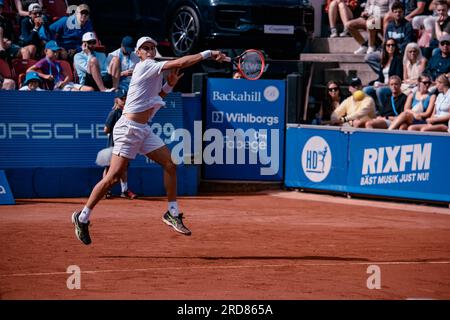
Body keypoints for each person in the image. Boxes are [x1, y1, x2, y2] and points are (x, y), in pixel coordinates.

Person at [71, 36, 228, 245]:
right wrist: (209, 53)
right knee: (113, 178)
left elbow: (155, 100)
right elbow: (180, 63)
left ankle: (172, 212)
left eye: (153, 47)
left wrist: (170, 86)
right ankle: (82, 217)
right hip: (127, 130)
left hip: (143, 130)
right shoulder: (146, 66)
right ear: (139, 53)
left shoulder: (153, 73)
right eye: (146, 48)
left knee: (170, 164)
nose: (150, 50)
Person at [102, 89, 138, 200]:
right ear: (116, 100)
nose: (124, 100)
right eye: (122, 98)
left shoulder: (127, 113)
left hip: (124, 144)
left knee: (124, 168)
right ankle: (105, 190)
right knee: (109, 168)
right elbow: (106, 130)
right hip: (113, 145)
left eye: (126, 98)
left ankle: (124, 190)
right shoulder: (114, 113)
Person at [365, 2, 415, 75]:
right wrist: (384, 50)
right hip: (388, 51)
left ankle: (390, 73)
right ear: (392, 13)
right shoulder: (390, 26)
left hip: (400, 53)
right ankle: (384, 74)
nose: (398, 14)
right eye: (395, 12)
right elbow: (386, 40)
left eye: (400, 12)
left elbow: (407, 42)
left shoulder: (407, 26)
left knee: (396, 59)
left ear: (403, 13)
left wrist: (394, 50)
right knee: (369, 58)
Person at [28, 40, 93, 91]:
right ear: (46, 51)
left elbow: (67, 76)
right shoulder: (43, 61)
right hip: (56, 87)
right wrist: (44, 76)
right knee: (76, 92)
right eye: (53, 51)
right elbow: (29, 70)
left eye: (57, 51)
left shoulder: (57, 63)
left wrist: (64, 82)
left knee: (90, 89)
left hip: (65, 84)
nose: (56, 54)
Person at [364, 38, 404, 109]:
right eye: (388, 45)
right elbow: (381, 77)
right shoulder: (384, 60)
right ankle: (374, 110)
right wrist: (375, 83)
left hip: (392, 85)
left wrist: (384, 84)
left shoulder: (398, 59)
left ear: (396, 47)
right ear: (385, 47)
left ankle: (385, 110)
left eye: (393, 45)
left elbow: (397, 77)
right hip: (383, 84)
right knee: (366, 90)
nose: (390, 47)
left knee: (380, 90)